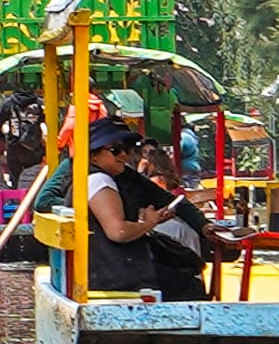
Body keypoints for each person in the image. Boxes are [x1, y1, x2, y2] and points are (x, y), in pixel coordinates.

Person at [35, 118, 219, 300]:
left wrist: (203, 225)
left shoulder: (122, 174)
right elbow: (118, 231)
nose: (125, 156)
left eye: (128, 149)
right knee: (188, 285)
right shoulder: (93, 177)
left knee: (184, 269)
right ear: (93, 154)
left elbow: (168, 199)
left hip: (111, 265)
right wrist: (147, 222)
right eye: (116, 150)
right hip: (113, 271)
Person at [180, 124, 202, 189]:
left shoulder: (183, 136)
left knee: (187, 192)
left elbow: (178, 151)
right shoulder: (192, 137)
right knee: (194, 192)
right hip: (193, 167)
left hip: (185, 170)